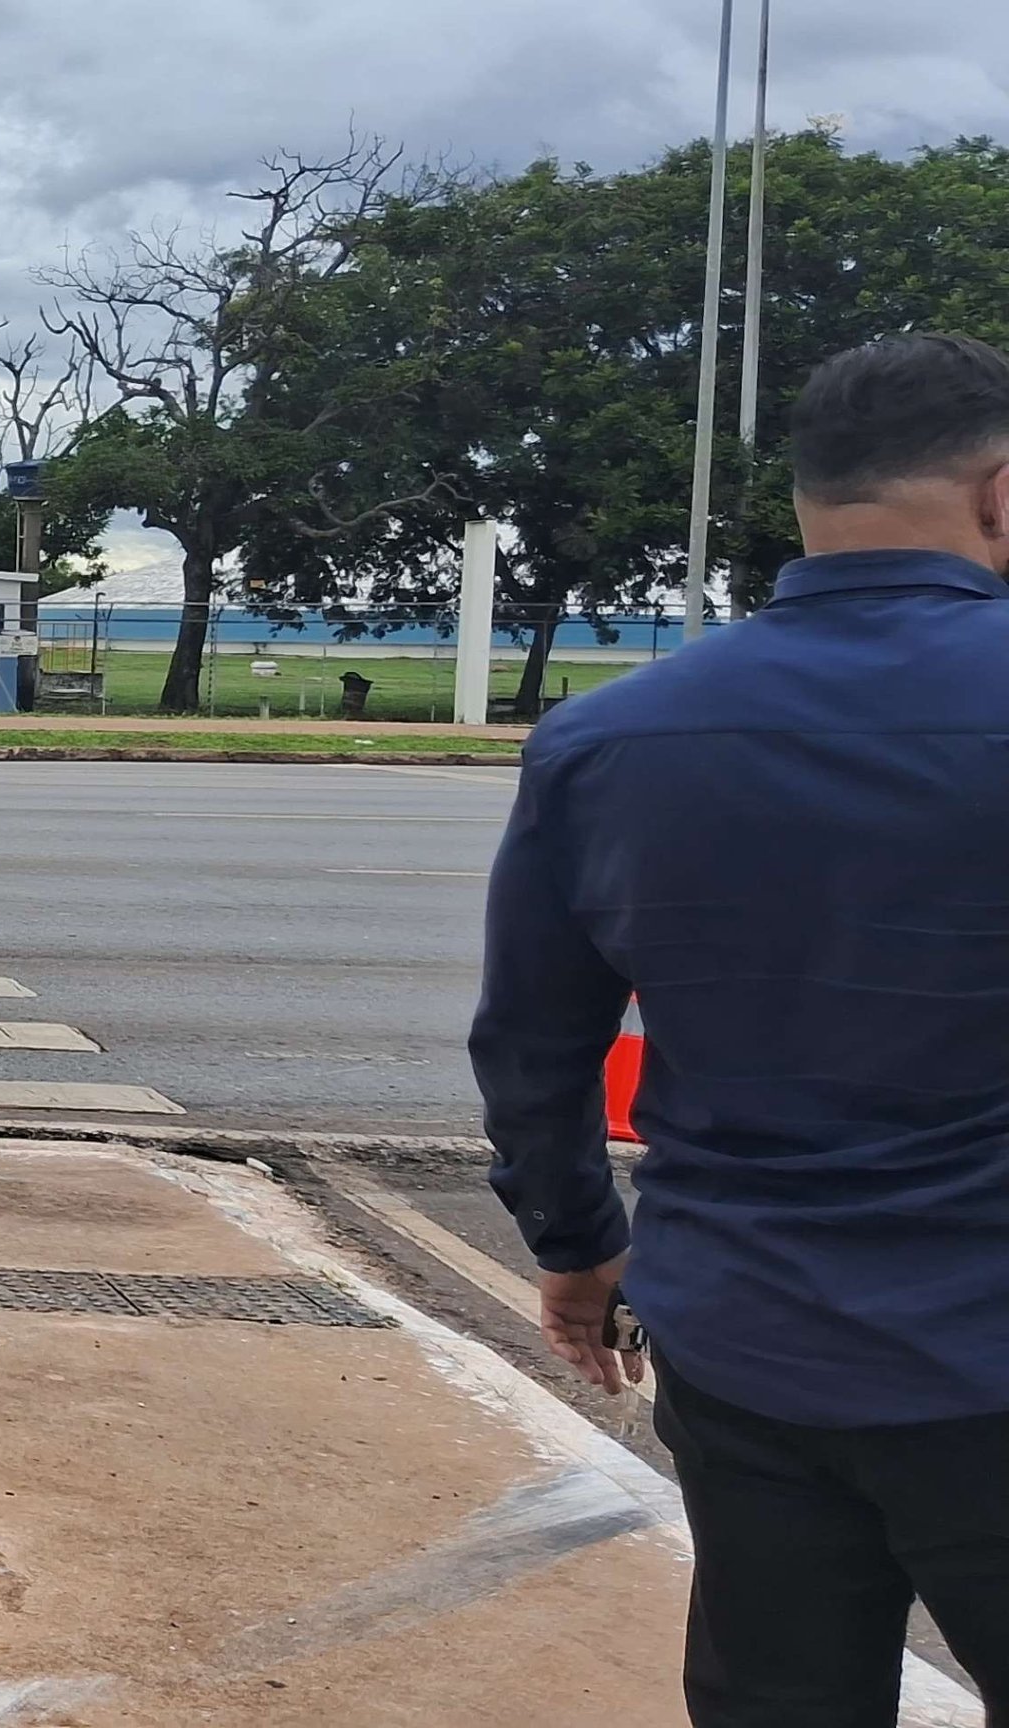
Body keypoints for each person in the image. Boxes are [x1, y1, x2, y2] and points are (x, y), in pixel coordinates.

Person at [473, 329, 1009, 1725]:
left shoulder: (609, 740)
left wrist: (579, 1250)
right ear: (1001, 494)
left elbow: (534, 1044)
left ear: (808, 502)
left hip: (746, 1343)